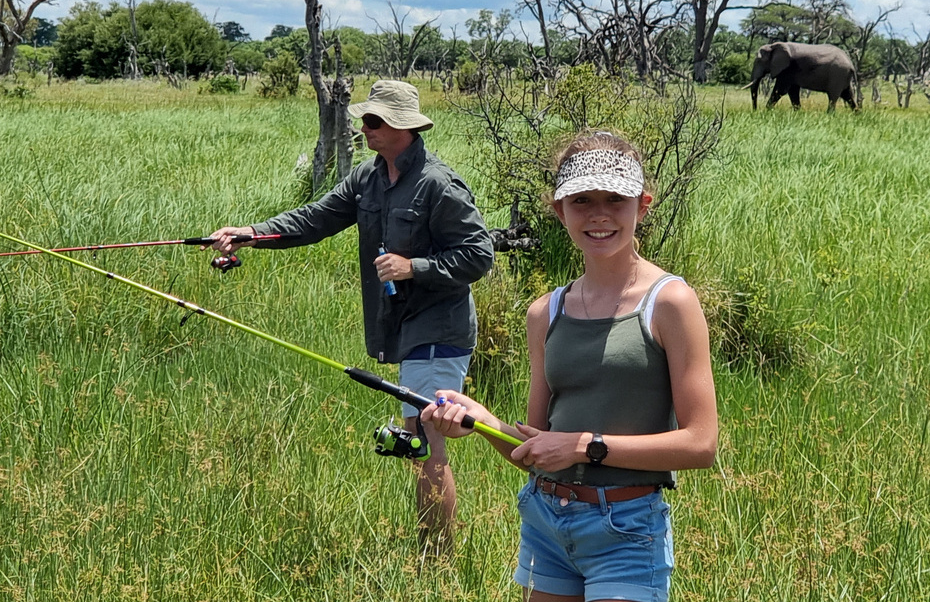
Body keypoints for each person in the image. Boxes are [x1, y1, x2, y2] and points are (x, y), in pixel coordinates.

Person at [422, 130, 718, 602]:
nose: (599, 214)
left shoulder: (671, 302)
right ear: (560, 211)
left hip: (626, 527)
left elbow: (701, 444)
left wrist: (586, 447)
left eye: (615, 199)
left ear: (642, 205)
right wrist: (480, 421)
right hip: (545, 522)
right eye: (581, 200)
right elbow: (537, 447)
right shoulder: (545, 312)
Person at [208, 79, 494, 552]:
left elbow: (478, 254)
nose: (365, 128)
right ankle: (433, 551)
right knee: (416, 438)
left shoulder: (439, 184)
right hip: (402, 325)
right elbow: (315, 219)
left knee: (423, 438)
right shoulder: (368, 177)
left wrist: (413, 267)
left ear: (402, 126)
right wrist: (252, 233)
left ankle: (436, 560)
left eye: (374, 121)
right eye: (364, 119)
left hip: (439, 327)